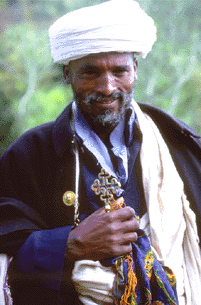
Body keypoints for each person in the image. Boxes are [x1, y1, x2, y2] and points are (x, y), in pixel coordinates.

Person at [0, 0, 201, 304]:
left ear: (135, 69)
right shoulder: (28, 155)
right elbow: (7, 248)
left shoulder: (182, 146)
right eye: (90, 73)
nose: (107, 87)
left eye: (120, 71)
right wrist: (70, 244)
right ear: (67, 74)